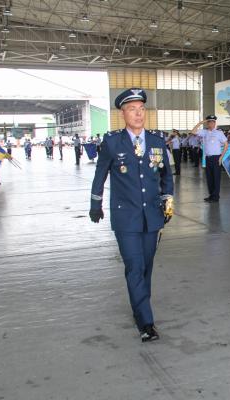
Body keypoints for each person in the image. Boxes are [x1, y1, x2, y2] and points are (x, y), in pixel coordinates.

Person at [89, 88, 174, 343]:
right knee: (135, 267)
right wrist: (96, 204)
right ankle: (145, 322)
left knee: (146, 267)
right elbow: (100, 175)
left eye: (141, 109)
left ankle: (139, 306)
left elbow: (166, 176)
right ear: (122, 113)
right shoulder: (113, 142)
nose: (138, 114)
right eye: (132, 109)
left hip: (152, 216)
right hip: (125, 217)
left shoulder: (157, 141)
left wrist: (167, 202)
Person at [190, 115, 228, 203]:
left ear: (215, 123)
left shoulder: (219, 133)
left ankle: (215, 197)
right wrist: (200, 123)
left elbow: (226, 145)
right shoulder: (204, 132)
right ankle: (211, 195)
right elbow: (193, 131)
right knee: (209, 178)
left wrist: (221, 157)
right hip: (208, 158)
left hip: (216, 158)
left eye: (212, 122)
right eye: (209, 122)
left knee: (216, 178)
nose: (210, 123)